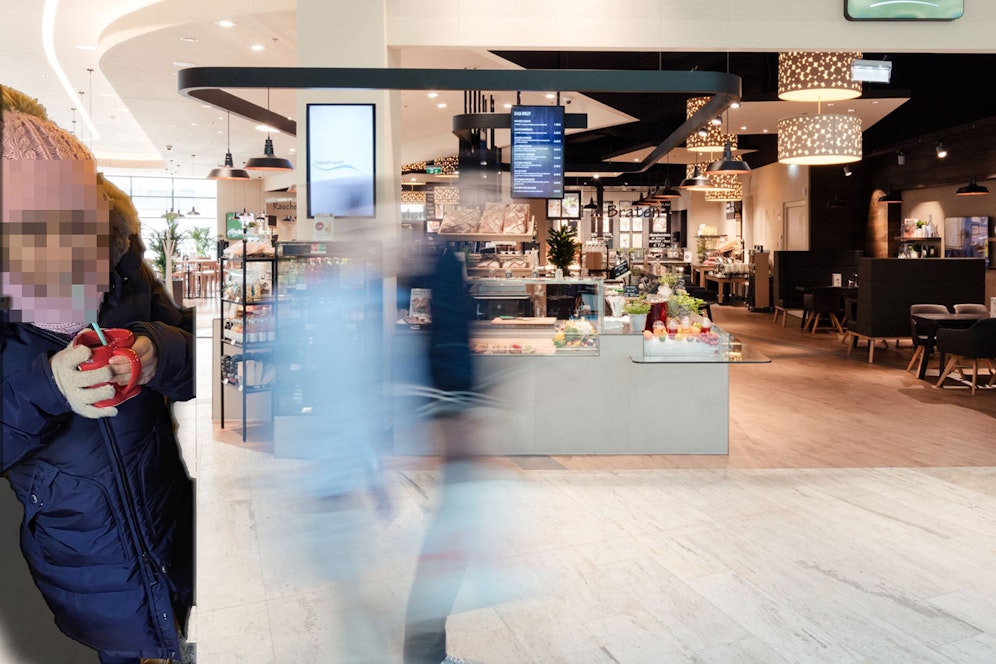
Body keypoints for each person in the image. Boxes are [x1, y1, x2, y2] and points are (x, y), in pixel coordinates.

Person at [1, 85, 194, 664]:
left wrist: (157, 351)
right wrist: (48, 387)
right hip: (84, 562)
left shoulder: (123, 269)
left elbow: (197, 364)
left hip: (173, 526)